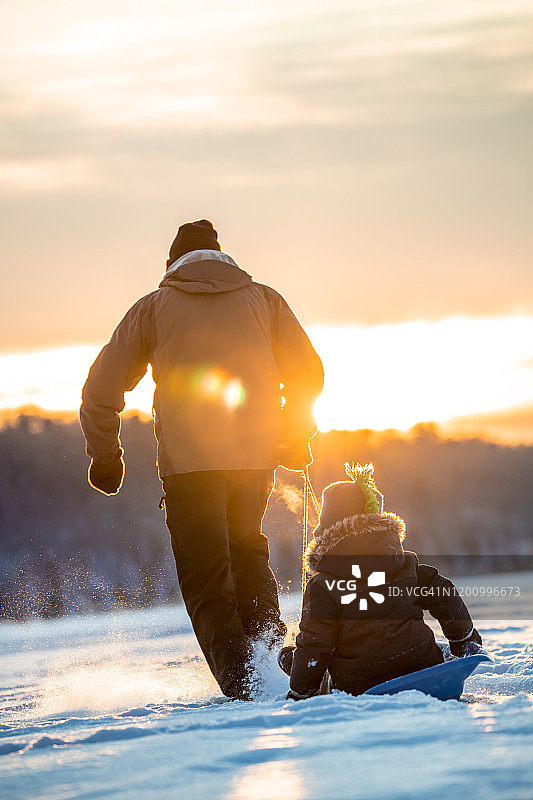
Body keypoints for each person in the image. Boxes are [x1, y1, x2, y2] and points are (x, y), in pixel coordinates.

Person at [80, 219, 324, 700]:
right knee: (247, 554)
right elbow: (308, 372)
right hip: (255, 458)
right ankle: (272, 667)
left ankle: (249, 688)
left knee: (208, 575)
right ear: (221, 257)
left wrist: (106, 458)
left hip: (190, 467)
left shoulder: (153, 308)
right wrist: (293, 431)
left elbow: (100, 391)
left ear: (172, 264)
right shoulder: (265, 300)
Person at [279, 463, 482, 700]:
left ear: (325, 530)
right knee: (430, 647)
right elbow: (444, 593)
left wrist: (300, 691)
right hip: (421, 662)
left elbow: (315, 644)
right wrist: (463, 638)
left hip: (359, 681)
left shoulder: (324, 584)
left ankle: (292, 661)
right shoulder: (406, 567)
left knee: (308, 657)